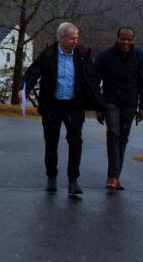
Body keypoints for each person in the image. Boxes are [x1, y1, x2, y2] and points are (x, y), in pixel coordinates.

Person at [21, 22, 106, 194]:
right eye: (72, 38)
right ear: (61, 38)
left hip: (74, 106)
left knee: (75, 142)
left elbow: (92, 81)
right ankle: (51, 177)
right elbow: (31, 74)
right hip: (52, 106)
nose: (76, 41)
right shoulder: (48, 54)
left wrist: (98, 105)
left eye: (77, 37)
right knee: (51, 143)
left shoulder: (82, 55)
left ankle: (73, 181)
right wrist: (24, 89)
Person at [94, 26, 143, 192]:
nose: (125, 42)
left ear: (133, 40)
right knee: (113, 134)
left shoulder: (139, 56)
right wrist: (98, 107)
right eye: (123, 39)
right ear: (117, 38)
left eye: (129, 39)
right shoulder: (105, 56)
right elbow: (94, 81)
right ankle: (112, 177)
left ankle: (115, 176)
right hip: (110, 101)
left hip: (130, 103)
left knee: (123, 139)